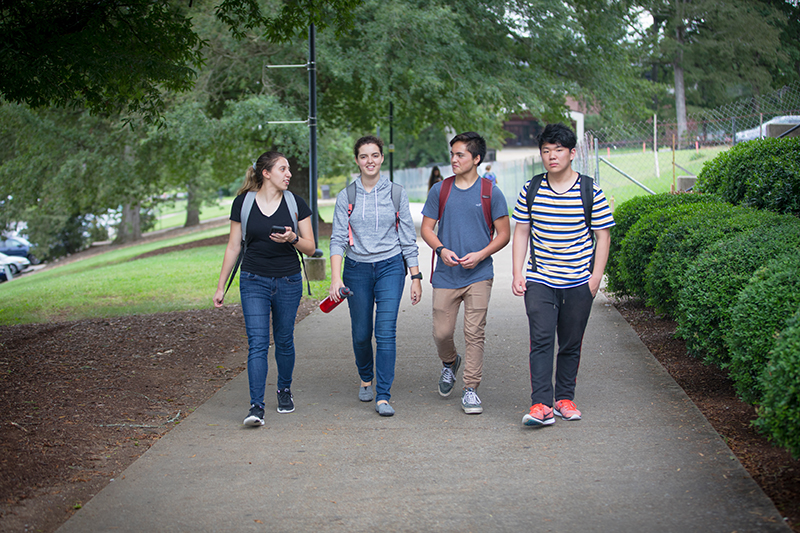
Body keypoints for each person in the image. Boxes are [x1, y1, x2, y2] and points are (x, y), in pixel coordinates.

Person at [511, 123, 615, 427]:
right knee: (541, 339)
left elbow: (603, 236)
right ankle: (541, 403)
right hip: (540, 279)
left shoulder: (589, 189)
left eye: (558, 150)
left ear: (571, 153)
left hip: (579, 281)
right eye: (546, 150)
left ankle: (564, 398)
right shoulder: (531, 189)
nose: (551, 156)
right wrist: (518, 272)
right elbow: (521, 233)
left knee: (570, 342)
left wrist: (595, 278)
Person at [213, 151, 317, 427]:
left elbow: (311, 247)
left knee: (284, 340)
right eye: (283, 169)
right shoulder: (243, 203)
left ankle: (284, 390)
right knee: (257, 343)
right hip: (253, 280)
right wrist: (221, 286)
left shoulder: (296, 203)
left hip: (288, 280)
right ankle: (256, 407)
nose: (289, 174)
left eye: (289, 169)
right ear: (266, 173)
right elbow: (234, 245)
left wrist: (293, 238)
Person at [328, 135, 422, 417]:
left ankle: (383, 395)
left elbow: (407, 237)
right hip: (356, 269)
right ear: (357, 160)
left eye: (375, 155)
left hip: (391, 267)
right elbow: (337, 240)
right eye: (364, 156)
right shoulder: (347, 196)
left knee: (385, 332)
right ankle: (365, 376)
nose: (370, 160)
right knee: (360, 334)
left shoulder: (396, 193)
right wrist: (336, 278)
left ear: (382, 158)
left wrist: (415, 276)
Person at [420, 132, 510, 414]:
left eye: (460, 155)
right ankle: (450, 363)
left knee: (474, 332)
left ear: (477, 159)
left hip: (478, 275)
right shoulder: (440, 190)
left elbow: (504, 234)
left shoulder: (490, 192)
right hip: (446, 275)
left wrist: (481, 254)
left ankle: (471, 389)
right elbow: (426, 228)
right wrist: (440, 249)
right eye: (452, 154)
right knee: (441, 333)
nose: (454, 159)